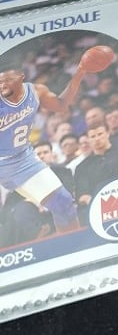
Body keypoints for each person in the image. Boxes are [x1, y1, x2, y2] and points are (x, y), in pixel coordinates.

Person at [0, 56, 95, 236]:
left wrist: (80, 73)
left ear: (20, 77)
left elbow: (62, 105)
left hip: (23, 159)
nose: (2, 85)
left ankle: (72, 245)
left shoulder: (36, 92)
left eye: (7, 80)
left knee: (63, 203)